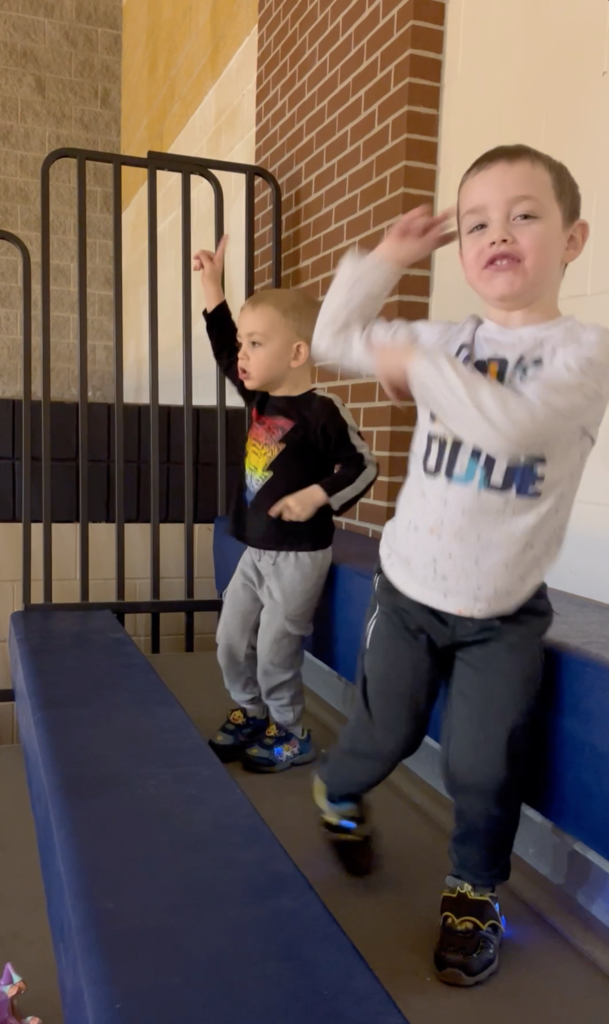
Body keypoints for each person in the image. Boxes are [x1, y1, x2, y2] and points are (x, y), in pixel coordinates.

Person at [310, 144, 609, 986]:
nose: (496, 233)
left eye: (523, 215)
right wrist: (384, 261)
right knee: (384, 733)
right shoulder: (444, 337)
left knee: (483, 766)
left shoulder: (582, 355)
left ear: (571, 238)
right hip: (408, 590)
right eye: (475, 222)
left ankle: (473, 890)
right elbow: (332, 337)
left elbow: (511, 430)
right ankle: (337, 788)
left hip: (503, 609)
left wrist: (427, 372)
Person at [193, 237, 377, 773]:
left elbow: (361, 467)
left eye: (256, 344)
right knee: (229, 638)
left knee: (275, 645)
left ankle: (290, 730)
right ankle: (251, 713)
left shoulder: (324, 412)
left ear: (297, 353)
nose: (241, 356)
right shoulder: (258, 398)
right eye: (244, 346)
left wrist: (317, 494)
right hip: (257, 550)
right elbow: (222, 343)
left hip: (299, 555)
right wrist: (212, 285)